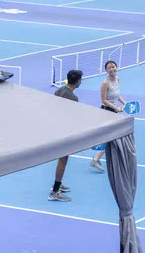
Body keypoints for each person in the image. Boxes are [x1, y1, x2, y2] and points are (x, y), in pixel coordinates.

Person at [49, 68, 84, 202]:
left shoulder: (59, 90)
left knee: (61, 159)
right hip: (63, 132)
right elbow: (72, 117)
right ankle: (54, 192)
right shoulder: (73, 98)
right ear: (78, 81)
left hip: (55, 128)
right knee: (63, 159)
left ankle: (58, 183)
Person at [90, 60, 127, 172]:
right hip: (107, 111)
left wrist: (124, 103)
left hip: (115, 110)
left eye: (113, 67)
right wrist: (116, 108)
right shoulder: (105, 83)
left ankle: (97, 159)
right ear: (106, 70)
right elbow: (104, 100)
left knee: (113, 136)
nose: (112, 69)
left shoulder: (117, 79)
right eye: (109, 68)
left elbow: (117, 94)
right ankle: (96, 159)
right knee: (110, 136)